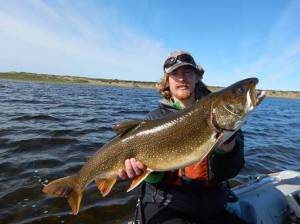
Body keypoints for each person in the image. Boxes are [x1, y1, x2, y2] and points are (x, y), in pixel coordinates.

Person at [118, 50, 246, 224]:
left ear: (197, 77)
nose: (181, 78)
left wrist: (227, 145)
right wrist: (144, 171)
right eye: (175, 74)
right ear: (167, 81)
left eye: (187, 72)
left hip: (213, 205)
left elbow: (230, 171)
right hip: (167, 205)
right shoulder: (153, 119)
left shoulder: (219, 112)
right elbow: (154, 182)